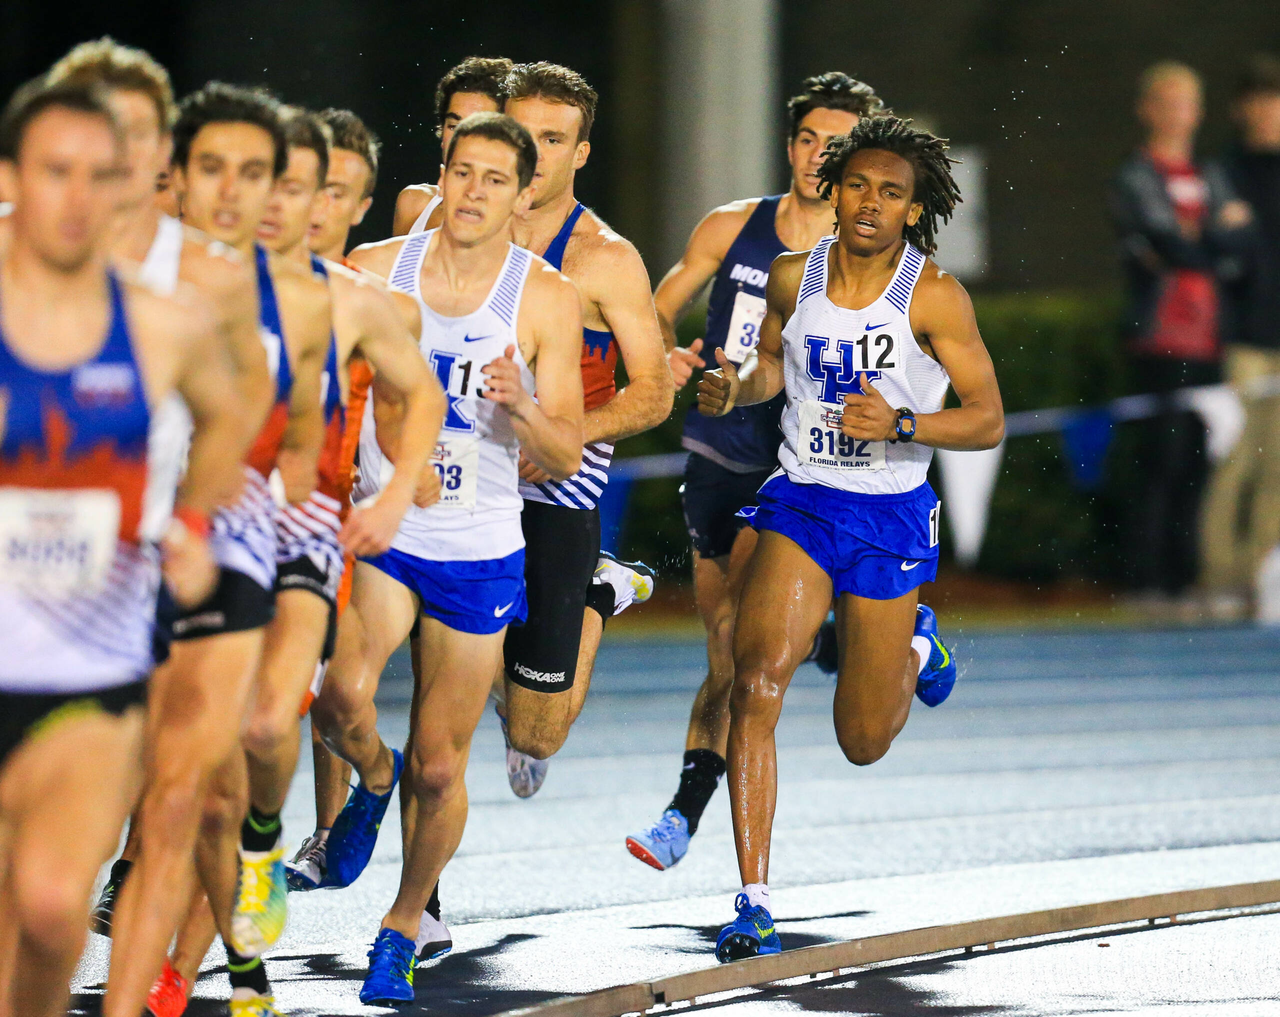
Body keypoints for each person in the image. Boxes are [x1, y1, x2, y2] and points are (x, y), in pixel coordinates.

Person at [146, 107, 445, 1017]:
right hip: (200, 530)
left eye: (305, 189)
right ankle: (240, 973)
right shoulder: (185, 279)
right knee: (206, 773)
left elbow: (419, 395)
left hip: (307, 529)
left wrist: (394, 495)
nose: (282, 204)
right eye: (266, 182)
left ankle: (269, 845)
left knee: (275, 726)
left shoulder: (357, 299)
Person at [698, 114, 1003, 961]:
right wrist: (733, 391)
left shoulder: (933, 293)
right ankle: (753, 899)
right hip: (803, 496)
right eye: (858, 185)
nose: (871, 203)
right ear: (833, 191)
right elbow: (766, 367)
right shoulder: (792, 278)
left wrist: (904, 418)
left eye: (891, 193)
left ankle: (915, 650)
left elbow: (987, 420)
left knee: (863, 740)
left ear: (913, 210)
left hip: (889, 511)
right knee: (756, 681)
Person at [312, 112, 584, 1004]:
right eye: (460, 173)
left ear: (524, 193)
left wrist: (522, 407)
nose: (472, 193)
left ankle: (402, 923)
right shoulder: (378, 268)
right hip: (391, 527)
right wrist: (375, 462)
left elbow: (569, 450)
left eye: (493, 180)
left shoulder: (542, 296)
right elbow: (325, 385)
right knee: (339, 697)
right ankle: (371, 779)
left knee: (443, 760)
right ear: (441, 175)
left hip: (479, 544)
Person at [0, 76, 242, 1017]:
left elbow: (232, 418)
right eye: (54, 171)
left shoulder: (160, 323)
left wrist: (185, 524)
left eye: (97, 174)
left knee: (57, 904)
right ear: (17, 176)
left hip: (93, 660)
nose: (75, 196)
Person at [99, 80, 333, 1017]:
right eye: (211, 169)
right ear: (175, 171)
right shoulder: (42, 238)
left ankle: (176, 978)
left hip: (230, 533)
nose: (237, 193)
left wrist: (208, 510)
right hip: (80, 545)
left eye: (257, 173)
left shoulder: (286, 297)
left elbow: (283, 424)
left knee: (187, 785)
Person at [44, 38, 272, 955]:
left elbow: (246, 407)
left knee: (161, 802)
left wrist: (192, 513)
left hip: (146, 567)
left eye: (138, 131)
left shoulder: (211, 274)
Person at [628, 72, 882, 871]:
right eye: (807, 140)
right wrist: (655, 351)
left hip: (798, 468)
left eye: (835, 146)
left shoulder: (867, 258)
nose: (817, 157)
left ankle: (683, 809)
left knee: (742, 637)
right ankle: (866, 637)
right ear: (789, 145)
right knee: (724, 650)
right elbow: (654, 303)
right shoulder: (734, 225)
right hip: (716, 455)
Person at [496, 60, 673, 797]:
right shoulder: (452, 227)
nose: (534, 155)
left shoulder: (604, 257)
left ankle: (600, 591)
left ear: (581, 152)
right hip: (462, 482)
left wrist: (562, 437)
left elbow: (656, 393)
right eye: (522, 134)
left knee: (533, 732)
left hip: (555, 490)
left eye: (554, 138)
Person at [1108, 62, 1253, 601]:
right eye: (1165, 101)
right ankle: (1147, 579)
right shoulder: (1136, 176)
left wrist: (1199, 244)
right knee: (1160, 459)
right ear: (1146, 109)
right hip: (1159, 339)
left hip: (1211, 337)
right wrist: (1211, 239)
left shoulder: (1211, 174)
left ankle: (1187, 575)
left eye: (1186, 102)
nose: (1176, 113)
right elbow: (1173, 246)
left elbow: (1240, 247)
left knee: (1203, 459)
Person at [1201, 54, 1280, 611]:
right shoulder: (1223, 171)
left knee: (1279, 468)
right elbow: (1215, 250)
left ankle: (1263, 579)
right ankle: (1221, 579)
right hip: (1246, 340)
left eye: (1273, 99)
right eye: (1257, 99)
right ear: (1240, 109)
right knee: (1235, 461)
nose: (1267, 110)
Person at [394, 56, 512, 236]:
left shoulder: (520, 228)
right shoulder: (413, 205)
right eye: (454, 126)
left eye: (480, 127)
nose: (463, 140)